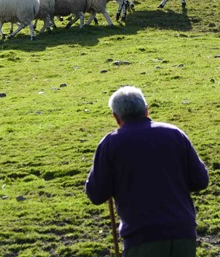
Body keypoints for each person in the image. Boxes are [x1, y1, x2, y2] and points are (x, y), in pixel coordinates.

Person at [85, 86, 209, 257]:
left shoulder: (111, 144)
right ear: (146, 109)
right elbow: (201, 181)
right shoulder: (175, 134)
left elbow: (96, 194)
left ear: (116, 117)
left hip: (142, 237)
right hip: (183, 233)